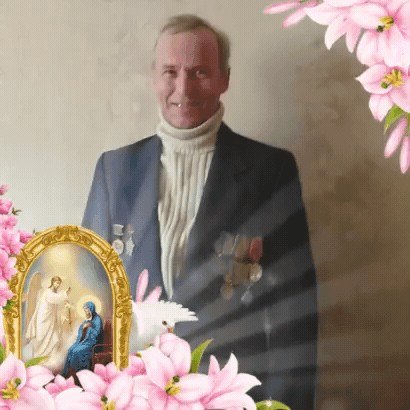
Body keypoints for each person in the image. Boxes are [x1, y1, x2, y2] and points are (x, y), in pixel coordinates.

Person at [82, 14, 317, 408]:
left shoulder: (271, 172)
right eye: (170, 72)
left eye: (200, 72)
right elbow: (88, 297)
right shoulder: (114, 170)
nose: (183, 88)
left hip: (234, 397)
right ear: (154, 78)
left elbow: (296, 311)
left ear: (224, 79)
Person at [26, 276, 71, 358]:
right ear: (53, 282)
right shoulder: (48, 292)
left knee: (54, 337)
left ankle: (49, 357)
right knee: (41, 337)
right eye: (57, 283)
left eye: (59, 284)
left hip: (50, 319)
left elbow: (56, 301)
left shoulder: (53, 293)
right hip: (43, 318)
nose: (58, 285)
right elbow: (54, 299)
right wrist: (65, 293)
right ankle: (39, 356)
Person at [62, 301, 103, 377]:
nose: (86, 312)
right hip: (84, 341)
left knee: (77, 351)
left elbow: (97, 333)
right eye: (85, 310)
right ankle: (69, 372)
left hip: (92, 343)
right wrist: (83, 327)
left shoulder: (98, 319)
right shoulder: (87, 319)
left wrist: (89, 327)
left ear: (91, 309)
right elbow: (82, 329)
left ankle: (78, 373)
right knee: (71, 350)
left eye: (87, 309)